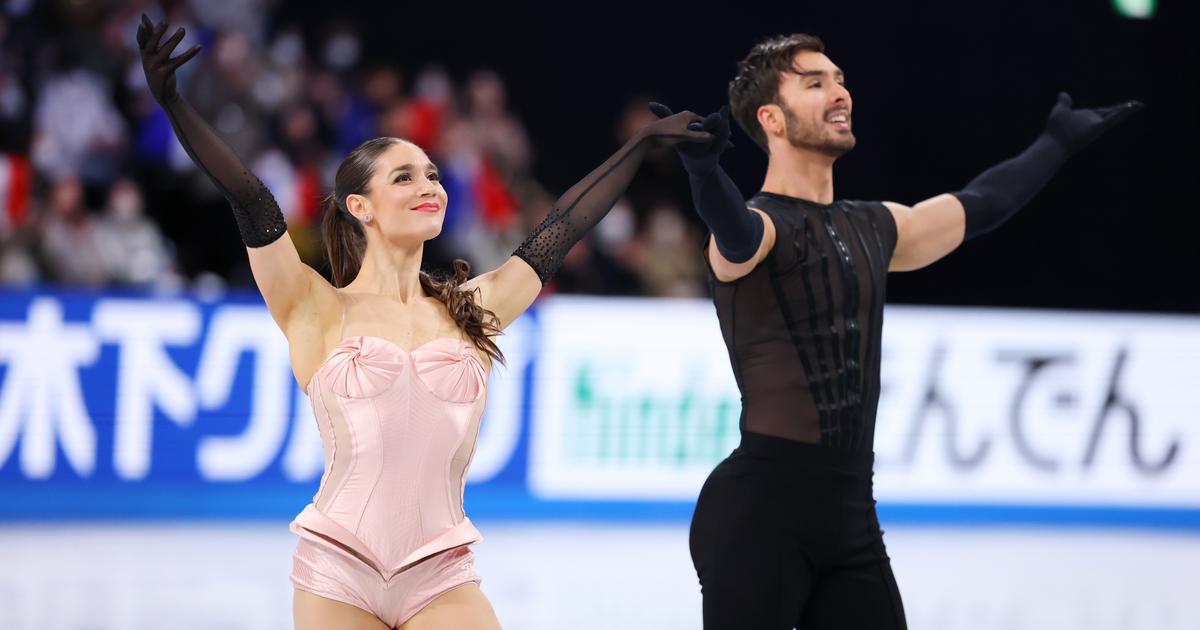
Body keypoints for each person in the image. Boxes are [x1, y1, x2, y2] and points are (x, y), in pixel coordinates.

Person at [135, 15, 711, 630]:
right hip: (338, 570)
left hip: (442, 574)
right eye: (404, 177)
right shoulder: (315, 305)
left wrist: (640, 146)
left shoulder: (472, 308)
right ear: (360, 207)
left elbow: (561, 227)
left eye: (433, 174)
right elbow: (251, 199)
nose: (428, 185)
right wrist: (174, 105)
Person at [655, 33, 1141, 630]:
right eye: (815, 83)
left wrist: (1055, 144)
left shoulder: (877, 226)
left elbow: (980, 204)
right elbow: (734, 234)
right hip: (758, 518)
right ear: (771, 119)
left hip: (851, 519)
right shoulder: (761, 229)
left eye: (840, 79)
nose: (840, 93)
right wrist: (706, 176)